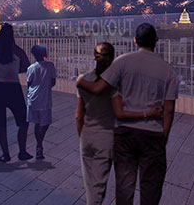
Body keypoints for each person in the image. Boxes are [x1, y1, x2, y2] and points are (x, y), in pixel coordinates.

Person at [76, 23, 177, 205]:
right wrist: (164, 137)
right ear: (156, 41)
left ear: (135, 40)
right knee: (151, 187)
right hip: (153, 134)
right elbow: (169, 109)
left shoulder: (122, 61)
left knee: (124, 186)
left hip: (125, 134)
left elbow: (99, 88)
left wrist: (80, 82)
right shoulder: (167, 69)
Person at [0, 23, 33, 162]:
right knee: (23, 122)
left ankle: (6, 154)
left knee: (1, 122)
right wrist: (14, 71)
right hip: (13, 87)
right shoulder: (17, 50)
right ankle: (22, 152)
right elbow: (27, 67)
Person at [76, 42, 118, 205]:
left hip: (87, 136)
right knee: (99, 186)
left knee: (90, 185)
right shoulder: (115, 83)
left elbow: (79, 115)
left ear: (95, 57)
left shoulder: (84, 80)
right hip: (106, 137)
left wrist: (83, 135)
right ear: (113, 58)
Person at [26, 44, 56, 159]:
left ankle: (39, 146)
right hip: (45, 99)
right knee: (45, 123)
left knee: (37, 123)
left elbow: (29, 83)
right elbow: (53, 82)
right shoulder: (50, 66)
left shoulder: (31, 68)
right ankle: (39, 145)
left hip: (33, 99)